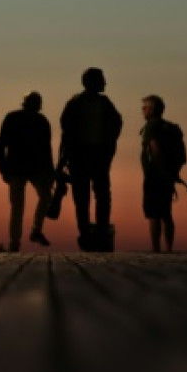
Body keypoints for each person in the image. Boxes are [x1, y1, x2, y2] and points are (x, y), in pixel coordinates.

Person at [57, 68, 123, 251]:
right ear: (91, 82)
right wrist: (63, 160)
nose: (105, 83)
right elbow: (66, 131)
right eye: (102, 80)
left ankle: (101, 232)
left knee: (102, 194)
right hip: (79, 156)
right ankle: (85, 234)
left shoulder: (105, 103)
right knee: (82, 196)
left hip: (100, 155)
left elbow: (116, 124)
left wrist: (108, 147)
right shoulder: (75, 103)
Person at [0, 91, 56, 251]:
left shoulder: (41, 121)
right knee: (19, 205)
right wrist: (2, 168)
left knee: (42, 197)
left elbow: (46, 149)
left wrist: (50, 171)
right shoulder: (14, 118)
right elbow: (1, 144)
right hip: (18, 168)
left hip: (33, 168)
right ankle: (16, 242)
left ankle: (34, 231)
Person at [139, 94, 186, 253]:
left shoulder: (151, 126)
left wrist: (161, 170)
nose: (142, 111)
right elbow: (182, 156)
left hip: (154, 175)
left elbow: (155, 147)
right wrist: (173, 173)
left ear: (151, 110)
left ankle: (156, 249)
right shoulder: (172, 128)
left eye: (144, 107)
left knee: (153, 214)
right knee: (166, 212)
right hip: (169, 175)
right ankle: (169, 248)